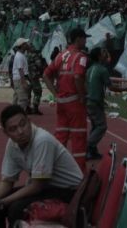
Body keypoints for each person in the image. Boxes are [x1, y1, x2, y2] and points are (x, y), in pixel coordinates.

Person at [0, 104, 83, 228]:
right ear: (5, 132)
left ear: (29, 121)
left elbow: (37, 186)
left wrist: (0, 203)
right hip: (48, 188)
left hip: (69, 192)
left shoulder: (42, 140)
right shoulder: (12, 144)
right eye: (13, 129)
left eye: (23, 124)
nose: (20, 131)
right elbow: (7, 181)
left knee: (16, 209)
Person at [42, 27, 88, 169]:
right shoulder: (81, 57)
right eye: (84, 38)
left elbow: (45, 75)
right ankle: (79, 171)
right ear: (78, 39)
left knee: (61, 134)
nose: (86, 41)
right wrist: (82, 96)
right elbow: (78, 76)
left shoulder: (60, 55)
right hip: (74, 102)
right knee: (78, 136)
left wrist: (55, 94)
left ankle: (51, 165)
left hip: (61, 102)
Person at [85, 46, 111, 160]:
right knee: (102, 126)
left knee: (96, 125)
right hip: (95, 102)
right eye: (103, 52)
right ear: (99, 56)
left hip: (89, 101)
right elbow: (112, 87)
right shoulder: (102, 70)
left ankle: (93, 149)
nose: (106, 54)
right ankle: (88, 146)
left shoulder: (90, 69)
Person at [25, 41, 45, 115]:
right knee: (38, 91)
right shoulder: (35, 55)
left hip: (27, 76)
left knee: (28, 92)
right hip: (34, 76)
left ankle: (27, 108)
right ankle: (35, 107)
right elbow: (39, 64)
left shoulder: (25, 55)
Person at [10, 38, 30, 113]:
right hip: (19, 79)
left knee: (16, 98)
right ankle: (20, 116)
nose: (27, 44)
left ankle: (11, 115)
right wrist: (24, 82)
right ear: (22, 45)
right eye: (26, 43)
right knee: (23, 99)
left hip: (18, 79)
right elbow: (20, 70)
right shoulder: (19, 56)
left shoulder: (20, 55)